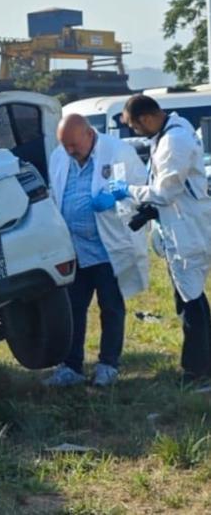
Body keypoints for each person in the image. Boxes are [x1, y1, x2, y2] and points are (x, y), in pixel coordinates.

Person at [44, 114, 148, 387]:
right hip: (74, 249)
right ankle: (71, 367)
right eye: (65, 145)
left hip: (108, 248)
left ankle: (108, 365)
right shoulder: (59, 155)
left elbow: (141, 192)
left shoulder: (118, 152)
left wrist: (117, 196)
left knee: (111, 307)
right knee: (73, 309)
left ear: (89, 134)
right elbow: (54, 194)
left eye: (74, 145)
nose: (69, 151)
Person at [113, 95, 211, 386]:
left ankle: (198, 372)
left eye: (134, 126)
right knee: (189, 299)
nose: (135, 133)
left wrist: (126, 190)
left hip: (188, 232)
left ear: (146, 118)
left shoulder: (175, 141)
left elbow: (164, 192)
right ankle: (200, 365)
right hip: (181, 227)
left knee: (191, 300)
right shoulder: (169, 134)